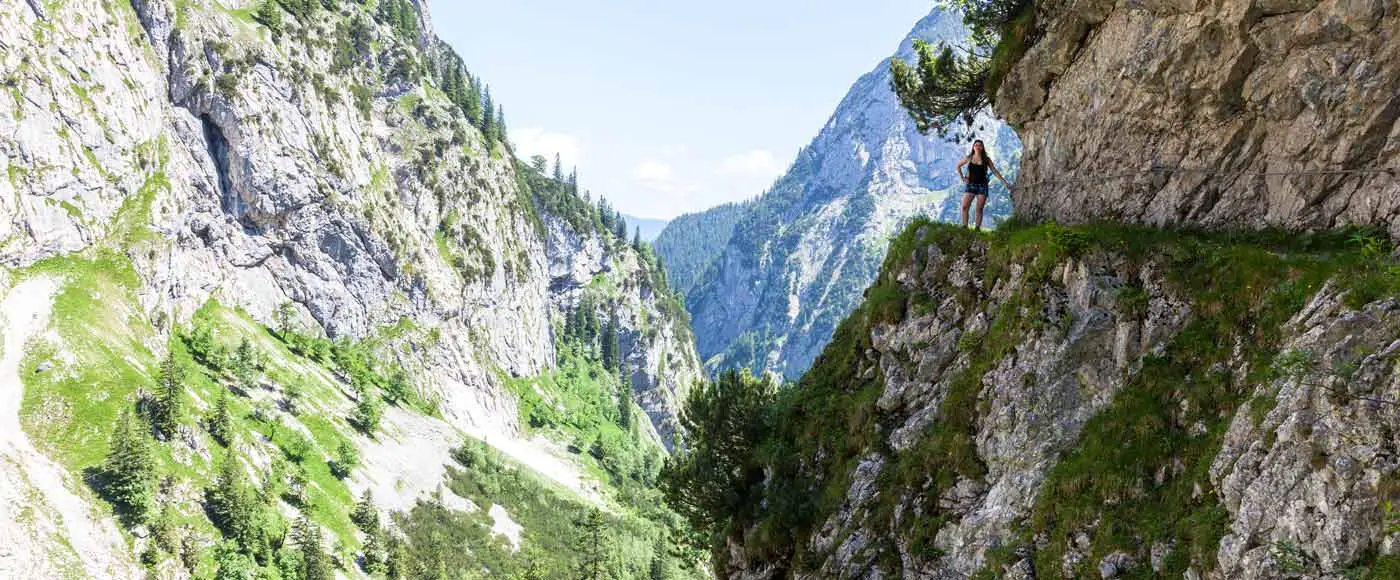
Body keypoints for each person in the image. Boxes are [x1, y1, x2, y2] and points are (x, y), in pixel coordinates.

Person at [956, 139, 1012, 230]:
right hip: (970, 185)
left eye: (980, 145)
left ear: (982, 148)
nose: (978, 147)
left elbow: (994, 171)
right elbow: (958, 166)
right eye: (976, 145)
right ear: (973, 147)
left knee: (979, 209)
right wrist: (962, 178)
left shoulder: (986, 159)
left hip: (982, 186)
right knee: (964, 206)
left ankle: (977, 229)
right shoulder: (969, 158)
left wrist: (1004, 182)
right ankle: (964, 227)